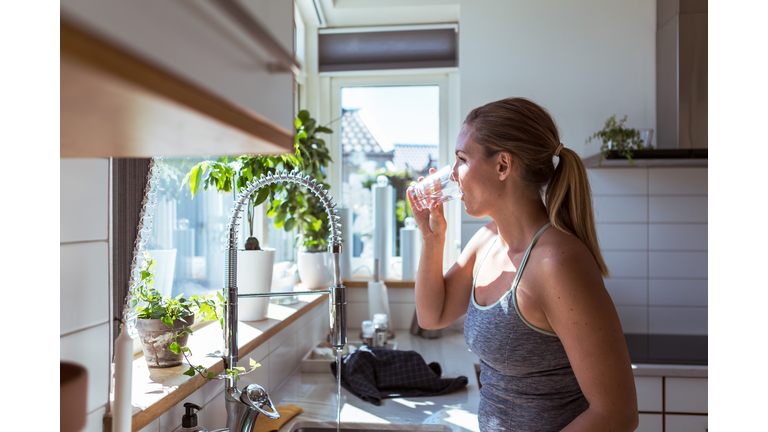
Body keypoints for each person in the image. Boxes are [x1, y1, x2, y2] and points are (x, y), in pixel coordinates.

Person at [407, 97, 639, 432]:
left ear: (503, 165)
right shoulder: (487, 240)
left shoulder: (557, 263)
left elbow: (617, 414)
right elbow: (433, 316)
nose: (453, 175)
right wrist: (432, 240)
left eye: (461, 159)